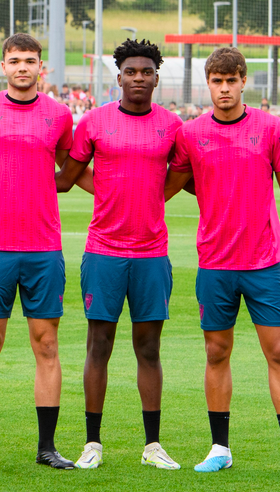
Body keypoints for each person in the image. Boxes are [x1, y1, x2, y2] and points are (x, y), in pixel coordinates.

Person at [164, 47, 280, 479]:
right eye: (217, 81)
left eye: (232, 80)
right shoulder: (191, 134)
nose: (225, 88)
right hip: (214, 264)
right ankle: (220, 448)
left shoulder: (269, 128)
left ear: (244, 81)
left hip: (265, 262)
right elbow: (167, 188)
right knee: (216, 352)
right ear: (207, 84)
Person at [55, 39, 183, 470]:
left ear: (156, 78)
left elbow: (185, 177)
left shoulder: (172, 126)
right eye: (131, 72)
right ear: (119, 77)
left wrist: (151, 199)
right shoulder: (93, 122)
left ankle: (153, 446)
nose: (139, 78)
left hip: (151, 252)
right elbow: (65, 179)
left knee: (149, 349)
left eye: (146, 72)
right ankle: (93, 443)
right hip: (104, 251)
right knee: (99, 345)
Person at [0, 33, 75, 470]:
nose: (22, 67)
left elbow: (67, 171)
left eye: (30, 60)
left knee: (47, 345)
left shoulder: (60, 116)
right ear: (2, 66)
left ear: (42, 67)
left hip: (43, 248)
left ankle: (47, 448)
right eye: (15, 60)